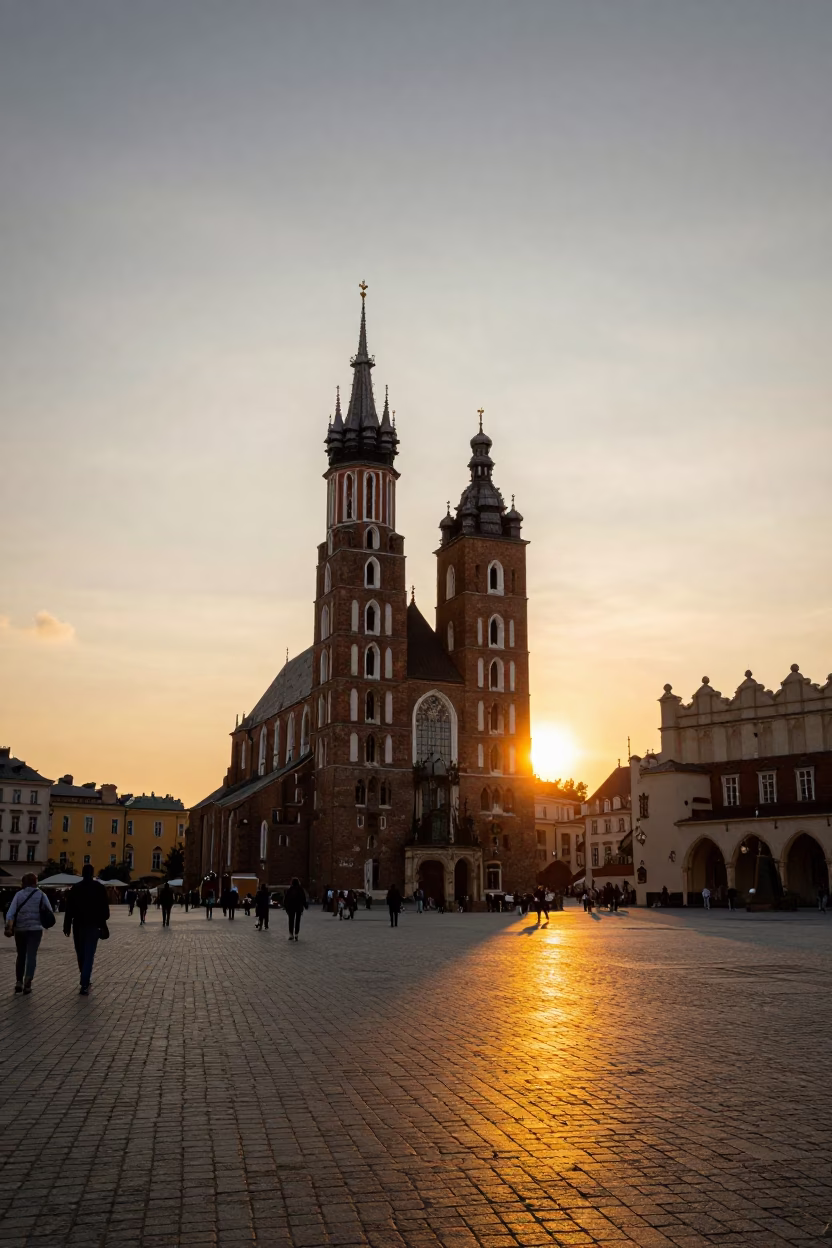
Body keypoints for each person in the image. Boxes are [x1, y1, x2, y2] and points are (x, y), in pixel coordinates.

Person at [64, 864, 109, 995]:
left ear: (82, 873)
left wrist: (66, 925)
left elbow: (69, 909)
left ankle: (84, 978)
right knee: (89, 954)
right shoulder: (99, 888)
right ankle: (85, 982)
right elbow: (105, 910)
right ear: (92, 873)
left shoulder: (75, 888)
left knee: (81, 953)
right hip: (93, 925)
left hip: (78, 925)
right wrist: (103, 923)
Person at [5, 872, 54, 994]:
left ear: (23, 883)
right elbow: (49, 910)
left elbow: (10, 912)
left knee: (20, 955)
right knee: (31, 955)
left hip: (20, 929)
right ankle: (28, 982)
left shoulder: (18, 895)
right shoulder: (41, 895)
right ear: (35, 882)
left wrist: (9, 927)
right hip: (35, 929)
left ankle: (18, 982)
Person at [284, 877, 307, 941]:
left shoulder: (290, 890)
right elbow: (303, 898)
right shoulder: (300, 889)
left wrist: (285, 907)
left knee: (291, 921)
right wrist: (305, 905)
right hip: (298, 907)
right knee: (297, 921)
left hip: (291, 907)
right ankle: (296, 934)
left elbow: (286, 899)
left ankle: (291, 934)